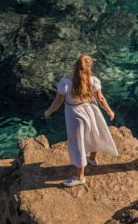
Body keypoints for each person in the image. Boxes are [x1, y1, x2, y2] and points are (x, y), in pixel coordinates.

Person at [44, 53, 118, 187]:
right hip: (91, 110)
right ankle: (92, 159)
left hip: (75, 115)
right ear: (89, 68)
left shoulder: (66, 84)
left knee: (78, 144)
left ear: (75, 67)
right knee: (94, 134)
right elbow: (101, 99)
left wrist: (48, 112)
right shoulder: (93, 81)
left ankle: (80, 176)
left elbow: (57, 102)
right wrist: (109, 111)